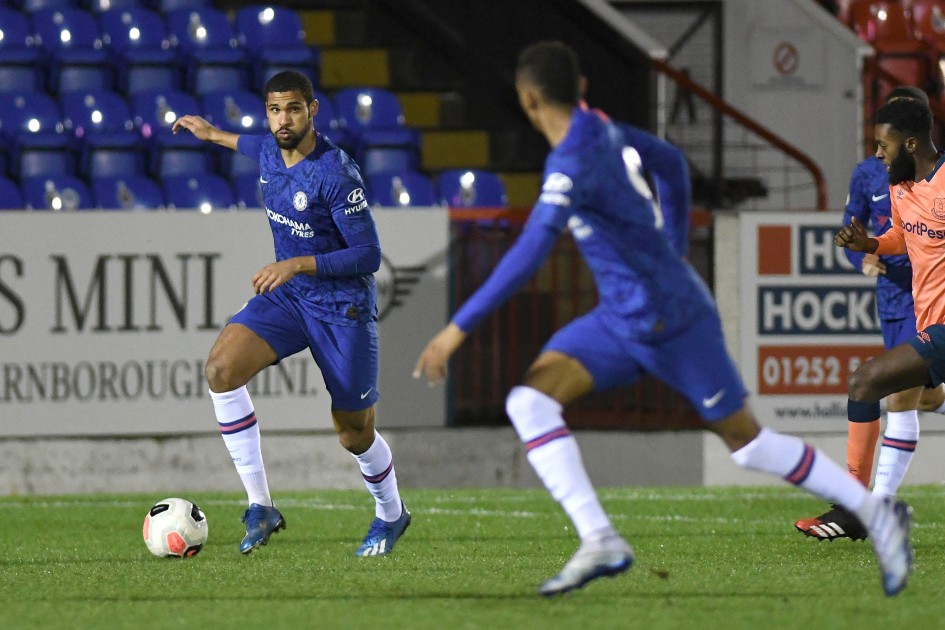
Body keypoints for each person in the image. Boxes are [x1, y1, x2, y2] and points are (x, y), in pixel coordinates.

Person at [413, 40, 913, 597]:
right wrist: (673, 246)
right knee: (529, 400)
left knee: (747, 444)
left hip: (671, 317)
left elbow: (531, 250)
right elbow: (671, 162)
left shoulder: (573, 157)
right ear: (579, 89)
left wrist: (454, 331)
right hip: (623, 317)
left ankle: (874, 511)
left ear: (527, 100)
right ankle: (599, 538)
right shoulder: (600, 126)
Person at [171, 70, 410, 557]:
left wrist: (297, 262)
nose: (284, 119)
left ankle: (392, 513)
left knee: (353, 433)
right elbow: (246, 144)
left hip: (341, 309)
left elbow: (369, 255)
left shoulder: (335, 174)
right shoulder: (266, 151)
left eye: (294, 109)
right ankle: (261, 505)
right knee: (220, 369)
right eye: (276, 110)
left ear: (312, 110)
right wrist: (211, 133)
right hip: (290, 297)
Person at [795, 87, 945, 541]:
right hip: (928, 320)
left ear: (912, 143)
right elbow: (904, 236)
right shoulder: (900, 187)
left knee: (866, 382)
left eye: (884, 145)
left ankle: (859, 508)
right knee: (902, 396)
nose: (877, 154)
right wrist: (871, 245)